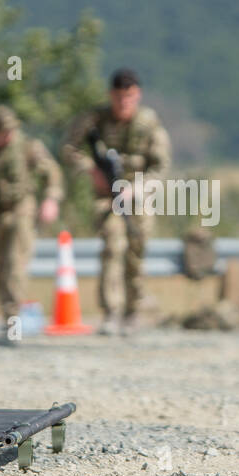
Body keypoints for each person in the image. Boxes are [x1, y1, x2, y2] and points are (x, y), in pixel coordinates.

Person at [62, 68, 171, 335]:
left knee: (136, 253)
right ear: (111, 95)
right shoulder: (95, 120)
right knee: (112, 247)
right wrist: (91, 170)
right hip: (106, 198)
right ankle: (111, 311)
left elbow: (161, 166)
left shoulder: (148, 124)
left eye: (130, 97)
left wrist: (136, 189)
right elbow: (69, 148)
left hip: (137, 198)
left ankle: (133, 311)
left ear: (138, 96)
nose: (124, 103)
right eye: (119, 97)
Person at [0, 104, 63, 332]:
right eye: (2, 132)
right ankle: (7, 313)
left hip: (22, 208)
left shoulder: (27, 146)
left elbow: (52, 173)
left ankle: (13, 316)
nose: (7, 136)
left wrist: (50, 199)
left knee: (16, 263)